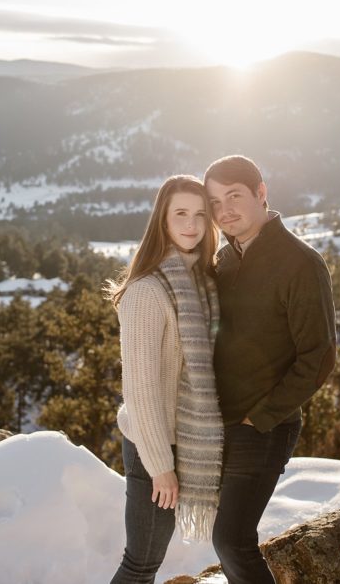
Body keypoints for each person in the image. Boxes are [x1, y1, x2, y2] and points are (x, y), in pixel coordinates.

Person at [203, 155, 337, 583]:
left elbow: (318, 356)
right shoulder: (223, 261)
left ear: (262, 194)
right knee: (226, 539)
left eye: (234, 196)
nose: (224, 210)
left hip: (263, 425)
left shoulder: (300, 263)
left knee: (231, 539)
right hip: (221, 423)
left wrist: (259, 417)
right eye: (215, 202)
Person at [107, 175, 224, 584]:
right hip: (151, 445)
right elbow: (140, 391)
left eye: (200, 214)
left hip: (181, 439)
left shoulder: (202, 283)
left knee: (146, 559)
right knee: (141, 562)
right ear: (163, 220)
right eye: (180, 214)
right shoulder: (147, 291)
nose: (191, 224)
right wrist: (160, 466)